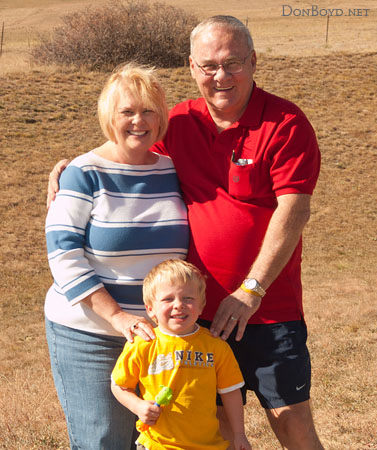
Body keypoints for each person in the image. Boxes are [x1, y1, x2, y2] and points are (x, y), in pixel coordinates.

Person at [47, 15, 324, 450]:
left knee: (289, 418)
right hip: (194, 312)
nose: (221, 76)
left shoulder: (285, 122)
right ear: (192, 67)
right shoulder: (178, 123)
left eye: (232, 63)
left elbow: (294, 210)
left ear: (253, 61)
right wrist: (71, 166)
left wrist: (251, 289)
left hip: (266, 305)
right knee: (205, 426)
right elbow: (127, 147)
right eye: (209, 65)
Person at [44, 63, 189, 450]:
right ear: (109, 117)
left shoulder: (174, 170)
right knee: (104, 440)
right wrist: (118, 317)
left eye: (148, 111)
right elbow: (63, 254)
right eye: (127, 112)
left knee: (156, 440)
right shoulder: (83, 172)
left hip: (159, 337)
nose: (138, 121)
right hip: (91, 333)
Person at [111, 259, 252, 450]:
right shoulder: (142, 344)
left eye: (188, 299)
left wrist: (239, 434)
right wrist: (137, 406)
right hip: (157, 444)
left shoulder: (215, 346)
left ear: (201, 305)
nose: (179, 305)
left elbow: (231, 392)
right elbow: (119, 386)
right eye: (168, 299)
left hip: (208, 445)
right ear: (150, 308)